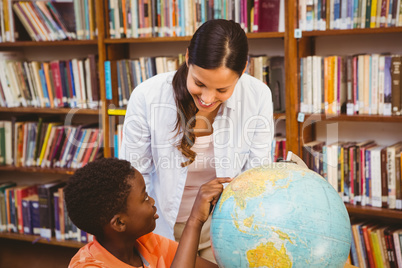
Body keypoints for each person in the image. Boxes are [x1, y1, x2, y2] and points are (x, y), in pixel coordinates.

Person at [120, 19, 274, 261]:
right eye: (199, 84)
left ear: (243, 69)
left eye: (222, 90)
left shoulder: (258, 95)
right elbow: (136, 173)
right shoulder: (148, 96)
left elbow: (256, 172)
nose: (208, 98)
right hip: (161, 224)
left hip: (223, 225)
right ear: (188, 57)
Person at [65, 158, 231, 268]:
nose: (152, 201)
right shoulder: (88, 265)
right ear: (120, 223)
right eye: (144, 197)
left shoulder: (148, 244)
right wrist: (195, 221)